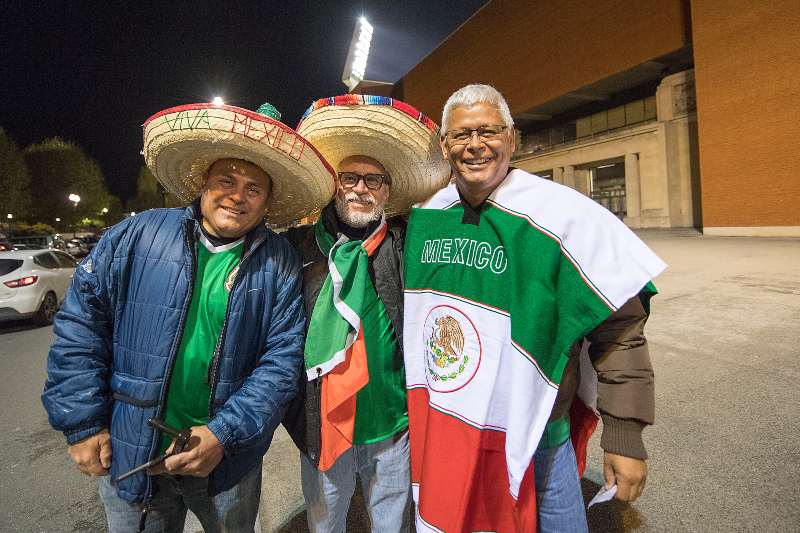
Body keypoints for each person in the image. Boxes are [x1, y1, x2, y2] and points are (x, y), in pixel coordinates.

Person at [41, 101, 334, 533]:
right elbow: (80, 327)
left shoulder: (279, 261)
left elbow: (283, 361)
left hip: (227, 463)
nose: (238, 195)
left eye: (254, 188)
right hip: (135, 452)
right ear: (203, 182)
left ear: (268, 200)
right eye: (227, 180)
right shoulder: (136, 236)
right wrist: (82, 423)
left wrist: (224, 434)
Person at [402, 84, 666, 532]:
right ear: (444, 145)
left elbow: (620, 331)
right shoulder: (426, 216)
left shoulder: (564, 217)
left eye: (489, 131)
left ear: (512, 139)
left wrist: (625, 435)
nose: (475, 145)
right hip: (455, 429)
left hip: (542, 437)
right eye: (462, 135)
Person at [282, 95, 449, 533]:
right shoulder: (296, 249)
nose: (361, 188)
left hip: (392, 425)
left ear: (388, 191)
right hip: (321, 425)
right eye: (350, 177)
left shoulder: (409, 243)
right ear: (333, 183)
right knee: (325, 525)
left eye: (374, 180)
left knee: (392, 526)